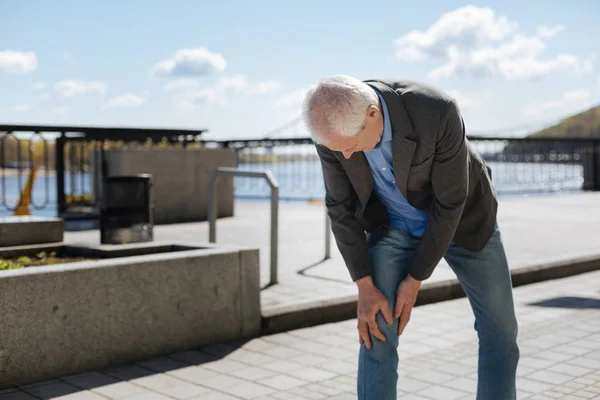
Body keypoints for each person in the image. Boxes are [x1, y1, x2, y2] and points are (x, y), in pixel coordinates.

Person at [302, 75, 520, 400]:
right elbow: (340, 207)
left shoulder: (436, 110)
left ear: (373, 114)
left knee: (500, 332)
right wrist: (364, 286)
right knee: (375, 326)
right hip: (394, 226)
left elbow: (449, 204)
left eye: (350, 145)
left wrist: (416, 277)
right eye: (337, 149)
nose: (345, 156)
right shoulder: (333, 133)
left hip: (463, 222)